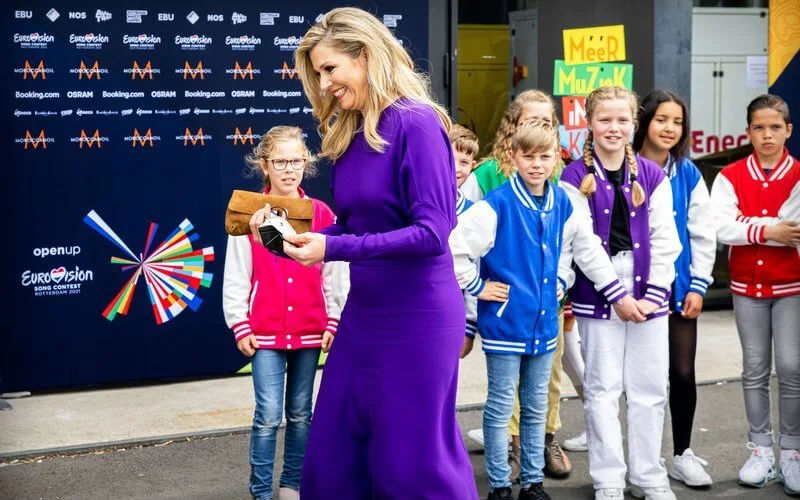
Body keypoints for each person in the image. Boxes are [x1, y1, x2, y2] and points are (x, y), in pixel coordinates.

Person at [247, 8, 479, 498]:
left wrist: (332, 246)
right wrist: (282, 235)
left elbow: (433, 233)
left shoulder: (417, 123)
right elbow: (352, 228)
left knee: (411, 464)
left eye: (330, 68)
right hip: (365, 315)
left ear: (366, 55)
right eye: (317, 73)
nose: (324, 82)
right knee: (335, 460)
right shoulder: (351, 131)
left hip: (418, 317)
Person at [450, 121, 624, 500]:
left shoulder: (565, 201)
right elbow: (454, 250)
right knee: (499, 407)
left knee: (536, 405)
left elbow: (579, 249)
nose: (536, 164)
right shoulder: (495, 205)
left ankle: (532, 482)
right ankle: (499, 485)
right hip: (505, 324)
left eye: (545, 157)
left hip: (545, 323)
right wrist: (478, 287)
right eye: (527, 156)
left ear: (556, 160)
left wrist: (564, 284)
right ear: (513, 156)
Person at [559, 85, 682, 500]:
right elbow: (582, 244)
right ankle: (609, 479)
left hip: (650, 287)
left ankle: (650, 476)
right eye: (605, 119)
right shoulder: (574, 176)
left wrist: (653, 293)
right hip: (599, 289)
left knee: (649, 389)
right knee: (602, 388)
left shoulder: (652, 174)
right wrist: (616, 294)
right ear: (589, 123)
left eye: (623, 120)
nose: (614, 128)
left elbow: (667, 239)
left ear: (635, 124)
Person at [222, 126, 346, 500]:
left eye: (296, 161)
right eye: (281, 162)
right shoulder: (247, 214)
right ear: (265, 165)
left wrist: (333, 319)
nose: (289, 170)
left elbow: (335, 271)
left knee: (300, 414)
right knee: (267, 417)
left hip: (310, 329)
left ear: (306, 164)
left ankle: (291, 485)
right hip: (265, 332)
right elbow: (237, 274)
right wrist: (240, 325)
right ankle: (261, 491)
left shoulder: (322, 213)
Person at [461, 90, 573, 479]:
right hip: (506, 316)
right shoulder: (490, 181)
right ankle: (501, 472)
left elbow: (568, 247)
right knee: (502, 398)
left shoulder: (560, 187)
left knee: (542, 392)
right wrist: (476, 292)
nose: (539, 131)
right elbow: (460, 242)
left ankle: (539, 456)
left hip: (543, 313)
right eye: (531, 122)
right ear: (513, 131)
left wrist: (560, 284)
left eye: (547, 124)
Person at [709, 93, 800, 495]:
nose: (767, 135)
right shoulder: (730, 176)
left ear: (788, 131)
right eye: (759, 128)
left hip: (791, 287)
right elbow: (719, 228)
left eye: (775, 127)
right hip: (747, 287)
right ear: (748, 131)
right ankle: (760, 449)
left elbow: (794, 230)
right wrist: (769, 229)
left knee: (793, 368)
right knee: (754, 370)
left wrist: (746, 224)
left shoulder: (798, 175)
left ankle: (792, 452)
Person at [633, 89, 717, 487]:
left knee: (681, 373)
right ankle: (638, 462)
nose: (669, 128)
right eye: (661, 119)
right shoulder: (624, 165)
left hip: (679, 290)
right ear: (644, 121)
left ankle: (682, 454)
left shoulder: (686, 173)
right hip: (633, 292)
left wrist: (698, 284)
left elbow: (702, 232)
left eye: (677, 121)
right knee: (637, 380)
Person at [448, 124, 481, 350]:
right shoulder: (418, 203)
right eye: (451, 159)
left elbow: (475, 265)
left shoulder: (473, 212)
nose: (457, 168)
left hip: (455, 309)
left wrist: (469, 323)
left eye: (465, 162)